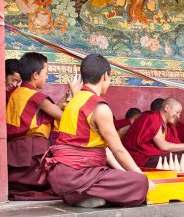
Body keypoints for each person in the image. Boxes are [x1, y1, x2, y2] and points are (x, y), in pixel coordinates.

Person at [41, 54, 149, 207]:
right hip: (79, 175)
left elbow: (106, 151)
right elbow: (118, 150)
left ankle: (78, 196)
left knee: (124, 176)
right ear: (105, 76)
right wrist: (143, 178)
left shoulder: (73, 102)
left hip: (59, 176)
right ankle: (86, 194)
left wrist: (126, 172)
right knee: (139, 182)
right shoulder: (99, 108)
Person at [6, 52, 71, 200]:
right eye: (46, 73)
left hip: (15, 149)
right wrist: (76, 95)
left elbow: (44, 111)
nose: (47, 77)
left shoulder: (17, 93)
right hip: (32, 149)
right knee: (58, 182)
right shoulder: (36, 96)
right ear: (36, 75)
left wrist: (62, 101)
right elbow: (63, 116)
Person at [122, 97, 184, 167]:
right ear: (167, 108)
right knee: (177, 159)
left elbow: (176, 146)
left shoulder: (168, 126)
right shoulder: (152, 118)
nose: (178, 116)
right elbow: (163, 146)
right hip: (140, 157)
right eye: (177, 112)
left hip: (153, 155)